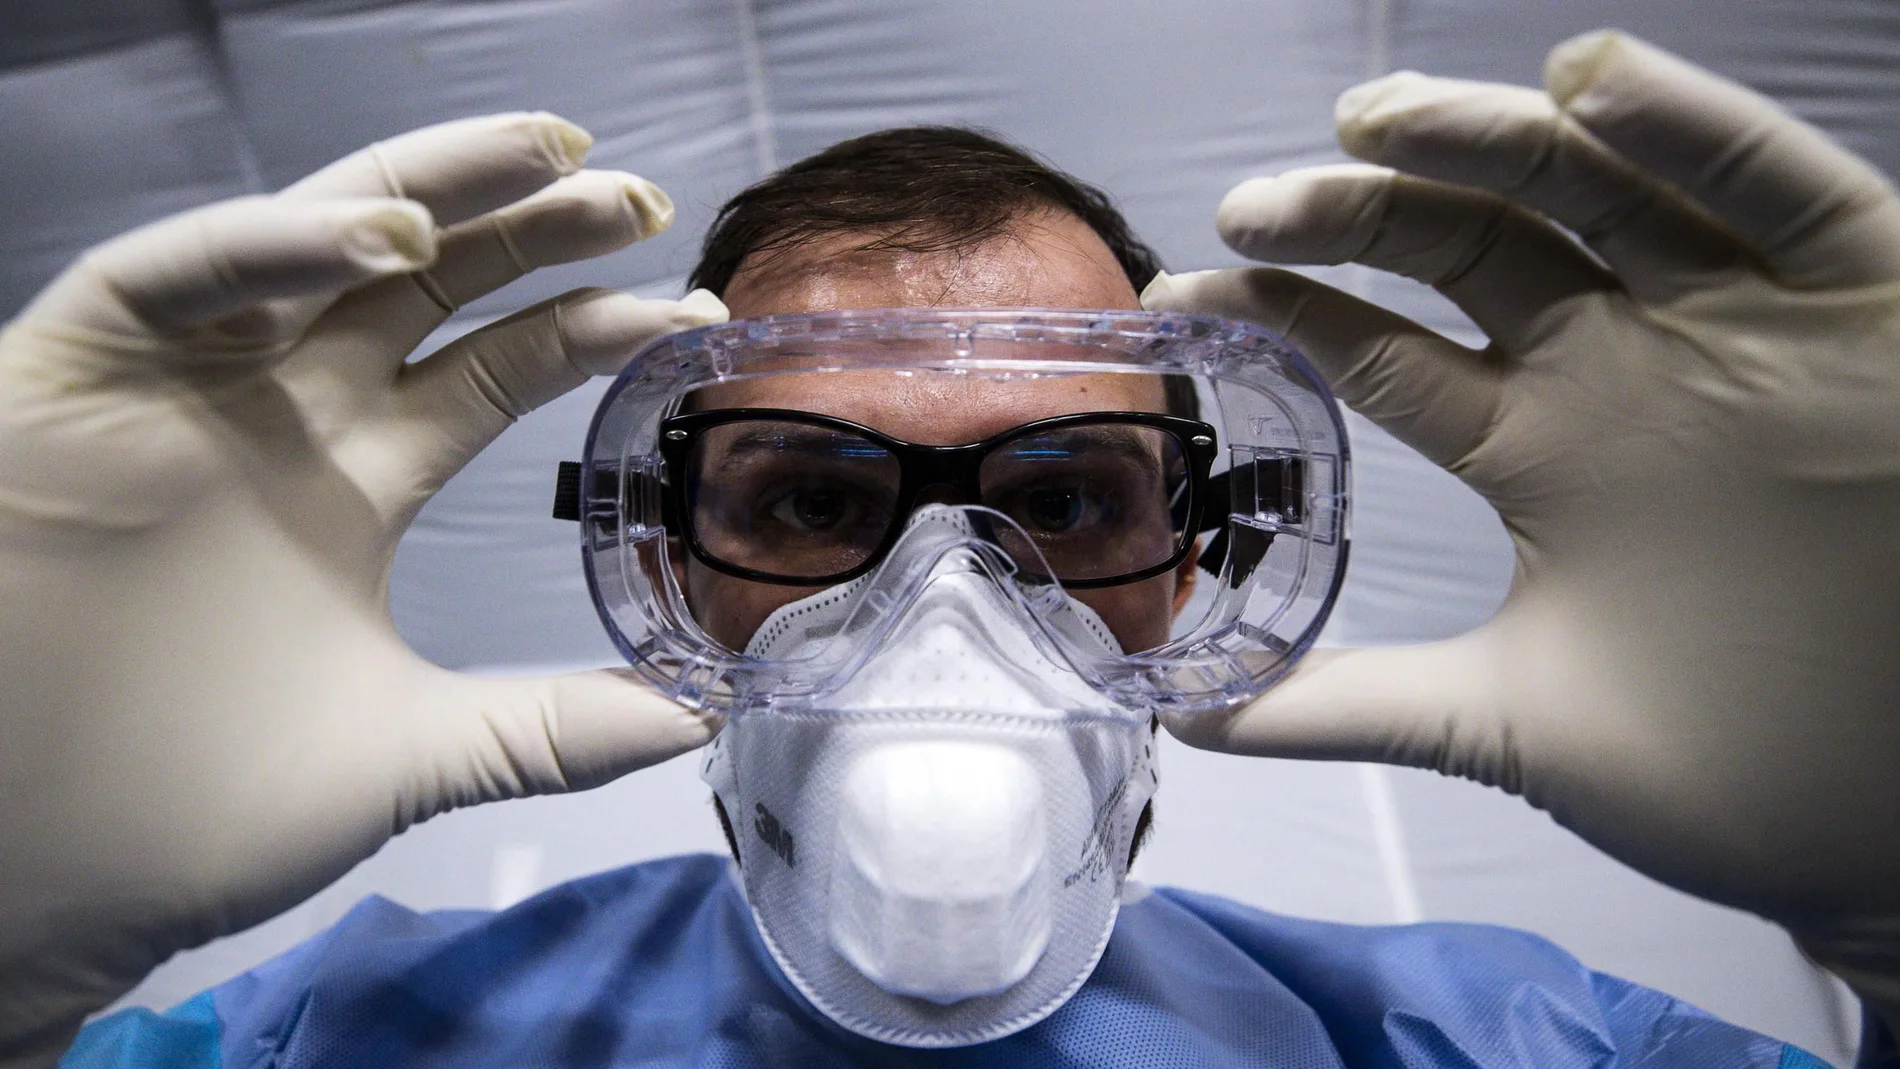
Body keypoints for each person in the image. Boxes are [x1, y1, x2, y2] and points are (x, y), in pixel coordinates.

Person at [1, 28, 1895, 1068]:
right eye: (815, 503)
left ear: (1198, 550)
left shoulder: (1514, 1046)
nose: (945, 605)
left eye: (1062, 502)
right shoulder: (332, 1039)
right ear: (667, 556)